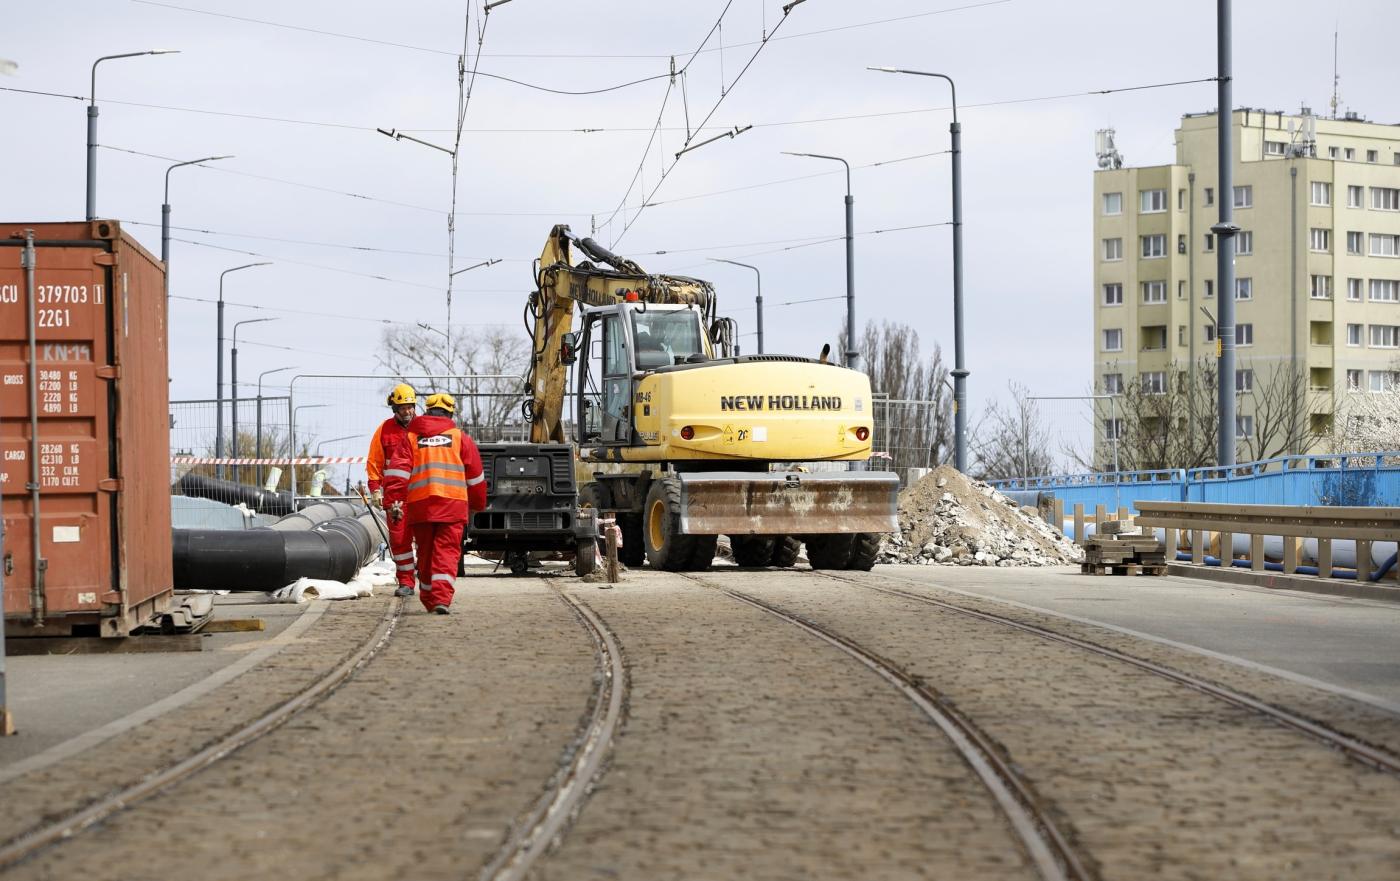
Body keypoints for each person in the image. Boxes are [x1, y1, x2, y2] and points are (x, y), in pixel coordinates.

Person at [405, 392, 487, 614]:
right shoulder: (461, 438)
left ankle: (429, 598)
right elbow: (476, 477)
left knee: (425, 553)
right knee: (447, 551)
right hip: (452, 506)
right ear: (450, 413)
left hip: (420, 506)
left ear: (427, 411)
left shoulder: (411, 438)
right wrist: (478, 504)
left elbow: (397, 474)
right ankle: (441, 599)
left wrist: (395, 502)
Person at [367, 383, 419, 598]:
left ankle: (427, 580)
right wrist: (375, 489)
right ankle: (406, 581)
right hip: (396, 497)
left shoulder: (424, 428)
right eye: (403, 407)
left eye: (410, 406)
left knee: (426, 540)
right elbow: (374, 461)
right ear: (394, 409)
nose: (407, 411)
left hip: (421, 493)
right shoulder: (384, 429)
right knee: (399, 541)